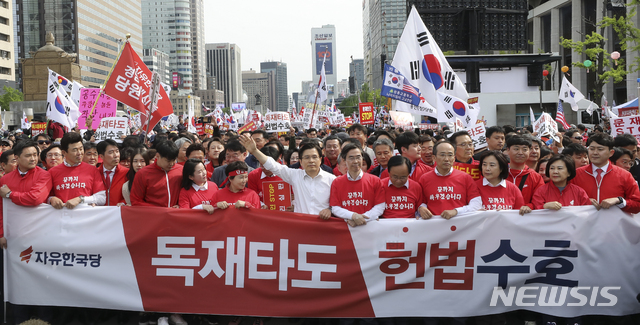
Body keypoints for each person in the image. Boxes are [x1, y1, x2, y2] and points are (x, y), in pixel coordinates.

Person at [0, 140, 53, 324]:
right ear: (16, 157)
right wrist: (1, 233)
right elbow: (1, 209)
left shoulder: (44, 175)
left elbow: (36, 198)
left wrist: (10, 194)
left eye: (35, 155)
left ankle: (43, 319)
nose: (33, 158)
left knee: (40, 280)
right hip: (14, 238)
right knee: (17, 280)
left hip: (39, 236)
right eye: (28, 155)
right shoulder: (5, 179)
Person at [239, 134, 335, 218]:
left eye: (314, 157)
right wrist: (255, 151)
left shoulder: (332, 180)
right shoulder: (295, 175)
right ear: (300, 161)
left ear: (320, 159)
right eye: (306, 157)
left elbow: (339, 204)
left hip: (324, 228)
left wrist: (330, 210)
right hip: (301, 226)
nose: (311, 160)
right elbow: (273, 165)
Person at [571, 133, 640, 213]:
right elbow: (565, 199)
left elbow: (637, 205)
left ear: (611, 152)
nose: (595, 153)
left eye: (600, 149)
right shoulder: (576, 174)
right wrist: (583, 201)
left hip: (613, 224)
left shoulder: (624, 175)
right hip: (583, 224)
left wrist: (619, 201)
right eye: (592, 149)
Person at [418, 141, 481, 219]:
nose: (446, 159)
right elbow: (420, 201)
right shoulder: (424, 178)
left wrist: (456, 211)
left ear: (454, 158)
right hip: (434, 225)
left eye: (450, 155)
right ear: (434, 158)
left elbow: (476, 204)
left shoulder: (465, 178)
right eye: (442, 155)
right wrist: (421, 208)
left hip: (461, 225)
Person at [330, 143, 385, 226]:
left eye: (358, 157)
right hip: (347, 228)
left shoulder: (375, 180)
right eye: (351, 158)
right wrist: (353, 216)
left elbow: (380, 206)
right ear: (344, 160)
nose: (356, 161)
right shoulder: (337, 182)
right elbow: (335, 208)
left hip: (369, 226)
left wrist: (361, 218)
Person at [48, 132, 106, 209]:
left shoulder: (92, 170)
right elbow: (45, 196)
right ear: (64, 153)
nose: (79, 153)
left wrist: (81, 199)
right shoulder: (52, 172)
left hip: (85, 217)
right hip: (61, 217)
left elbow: (102, 198)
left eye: (81, 149)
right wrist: (51, 199)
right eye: (75, 150)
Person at [130, 140, 183, 208]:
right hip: (153, 216)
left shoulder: (181, 170)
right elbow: (136, 200)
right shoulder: (143, 173)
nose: (172, 164)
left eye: (174, 160)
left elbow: (188, 194)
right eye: (168, 161)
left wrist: (181, 205)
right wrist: (158, 210)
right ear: (157, 156)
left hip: (175, 215)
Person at [504, 135, 545, 210]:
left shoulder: (536, 177)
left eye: (524, 149)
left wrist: (529, 206)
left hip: (525, 217)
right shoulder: (499, 173)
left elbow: (540, 200)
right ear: (508, 150)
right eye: (516, 149)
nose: (520, 153)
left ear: (529, 151)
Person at [97, 139, 128, 206]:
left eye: (117, 151)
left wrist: (123, 203)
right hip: (99, 213)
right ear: (101, 156)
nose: (116, 155)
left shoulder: (127, 173)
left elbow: (132, 194)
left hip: (119, 212)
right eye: (111, 152)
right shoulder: (95, 173)